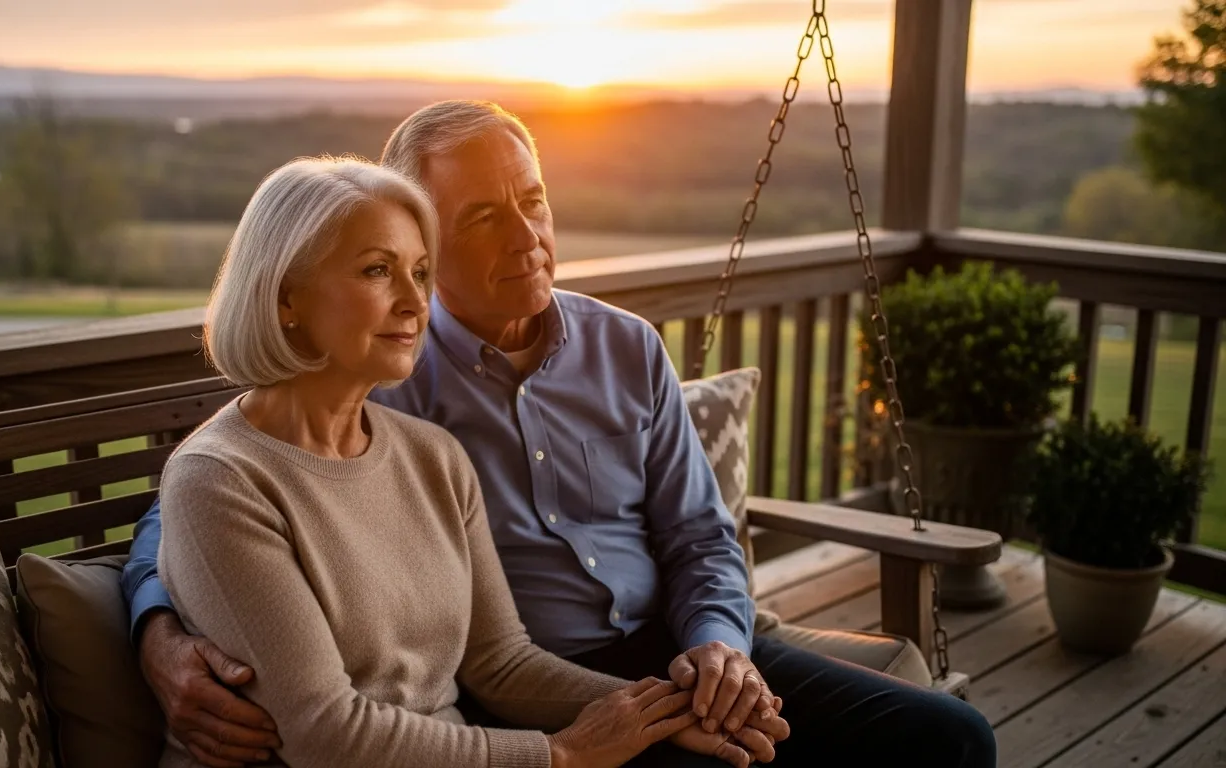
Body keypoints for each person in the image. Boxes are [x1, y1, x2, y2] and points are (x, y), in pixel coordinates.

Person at [124, 102, 996, 768]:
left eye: (533, 201)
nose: (529, 236)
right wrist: (157, 630)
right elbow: (209, 495)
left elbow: (700, 535)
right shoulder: (382, 370)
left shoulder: (621, 349)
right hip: (521, 686)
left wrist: (718, 654)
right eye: (482, 218)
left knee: (946, 740)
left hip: (675, 646)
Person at [147, 154, 786, 768]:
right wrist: (559, 755)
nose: (413, 301)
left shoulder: (432, 455)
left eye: (420, 273)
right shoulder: (220, 479)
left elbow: (500, 662)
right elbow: (323, 735)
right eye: (377, 271)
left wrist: (675, 714)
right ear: (286, 298)